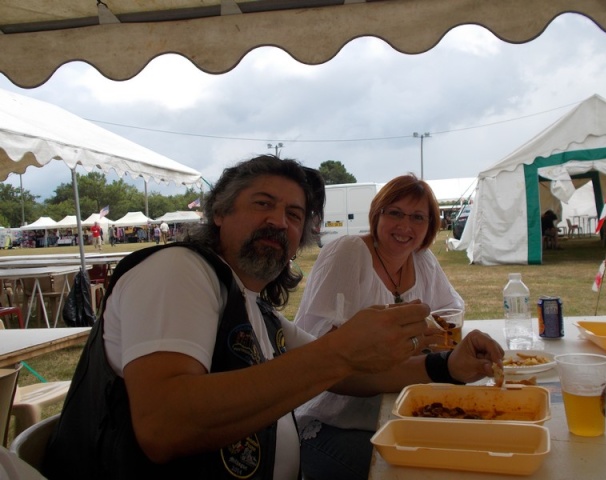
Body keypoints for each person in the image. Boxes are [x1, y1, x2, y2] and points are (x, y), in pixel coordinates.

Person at [43, 156, 503, 480]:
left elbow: (348, 375)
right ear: (219, 212)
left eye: (294, 214)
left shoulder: (258, 313)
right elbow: (164, 425)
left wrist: (446, 365)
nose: (280, 222)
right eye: (263, 204)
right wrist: (340, 352)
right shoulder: (179, 269)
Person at [294, 174, 471, 480]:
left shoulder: (422, 260)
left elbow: (450, 314)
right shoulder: (349, 252)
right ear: (377, 214)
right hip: (333, 421)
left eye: (417, 217)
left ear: (430, 225)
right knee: (420, 472)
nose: (405, 226)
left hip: (397, 412)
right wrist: (423, 342)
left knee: (463, 451)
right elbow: (322, 350)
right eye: (395, 213)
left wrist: (428, 337)